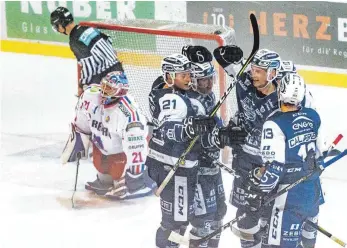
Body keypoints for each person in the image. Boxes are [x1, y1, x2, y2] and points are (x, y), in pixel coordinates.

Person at [146, 53, 242, 248]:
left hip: (189, 165)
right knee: (176, 224)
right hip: (175, 168)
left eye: (190, 74)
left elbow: (201, 134)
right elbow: (167, 129)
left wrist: (220, 136)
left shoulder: (190, 96)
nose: (189, 79)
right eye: (184, 75)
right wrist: (190, 127)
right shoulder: (170, 98)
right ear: (170, 76)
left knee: (215, 214)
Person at [246, 73, 327, 247]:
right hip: (313, 192)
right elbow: (322, 154)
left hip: (289, 197)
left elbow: (273, 169)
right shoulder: (313, 116)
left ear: (281, 92)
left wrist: (257, 190)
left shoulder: (274, 123)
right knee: (307, 242)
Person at [214, 46, 282, 248]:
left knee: (269, 215)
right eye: (253, 69)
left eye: (259, 71)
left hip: (269, 164)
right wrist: (231, 54)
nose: (254, 74)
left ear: (272, 73)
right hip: (244, 159)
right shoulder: (245, 81)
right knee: (245, 217)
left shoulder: (283, 98)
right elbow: (221, 56)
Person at [61, 71, 156, 200]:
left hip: (123, 152)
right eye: (104, 86)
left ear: (120, 92)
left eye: (109, 89)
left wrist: (134, 176)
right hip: (102, 147)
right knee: (102, 172)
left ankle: (140, 177)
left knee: (119, 173)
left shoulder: (130, 116)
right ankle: (107, 179)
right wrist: (79, 141)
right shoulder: (90, 96)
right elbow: (82, 122)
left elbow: (136, 147)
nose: (104, 91)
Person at [50, 7, 123, 96]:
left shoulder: (74, 40)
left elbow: (89, 66)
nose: (57, 29)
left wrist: (82, 85)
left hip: (107, 80)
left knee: (88, 107)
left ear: (61, 25)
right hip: (120, 72)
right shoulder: (87, 28)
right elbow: (108, 41)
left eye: (56, 26)